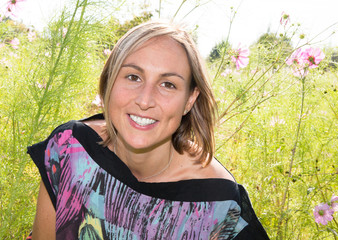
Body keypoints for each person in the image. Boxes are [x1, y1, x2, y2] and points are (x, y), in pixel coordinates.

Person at [27, 20, 269, 239]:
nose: (145, 100)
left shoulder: (217, 202)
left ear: (189, 100)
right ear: (109, 82)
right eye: (133, 77)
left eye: (168, 84)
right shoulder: (71, 149)